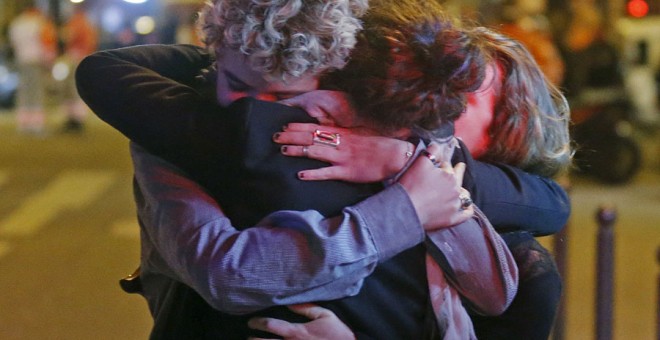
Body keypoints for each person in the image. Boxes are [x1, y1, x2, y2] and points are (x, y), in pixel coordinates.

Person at [76, 0, 569, 338]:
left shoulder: (411, 145)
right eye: (235, 81)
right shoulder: (192, 128)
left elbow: (547, 213)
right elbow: (227, 270)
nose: (257, 110)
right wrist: (403, 208)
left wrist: (405, 162)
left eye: (285, 97)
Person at [269, 21, 571, 339]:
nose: (435, 99)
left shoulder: (522, 268)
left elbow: (554, 204)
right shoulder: (344, 133)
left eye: (463, 97)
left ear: (503, 132)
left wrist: (403, 158)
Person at [8, 3, 57, 134]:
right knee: (37, 93)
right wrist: (49, 62)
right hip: (37, 61)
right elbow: (47, 41)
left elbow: (13, 43)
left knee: (24, 92)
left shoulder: (16, 23)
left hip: (22, 61)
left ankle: (23, 124)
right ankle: (36, 124)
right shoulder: (39, 23)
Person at [60, 5, 98, 132]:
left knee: (72, 89)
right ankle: (77, 119)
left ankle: (75, 119)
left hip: (75, 57)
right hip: (84, 57)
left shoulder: (77, 22)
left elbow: (68, 37)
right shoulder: (88, 23)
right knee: (77, 89)